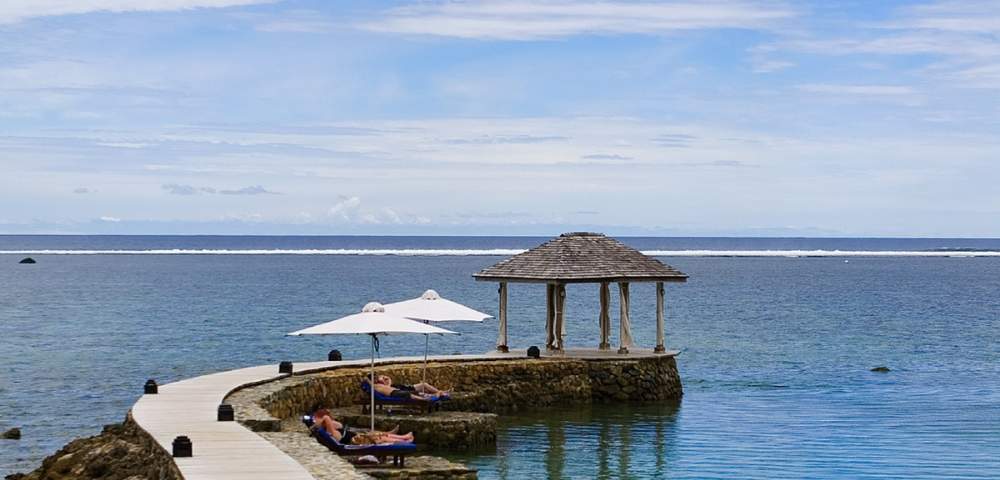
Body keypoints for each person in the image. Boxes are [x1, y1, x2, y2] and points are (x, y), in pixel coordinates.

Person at [311, 408, 414, 445]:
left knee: (376, 434)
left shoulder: (334, 430)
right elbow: (327, 418)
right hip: (356, 440)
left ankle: (402, 437)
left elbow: (336, 423)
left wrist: (321, 420)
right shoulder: (332, 432)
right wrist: (321, 419)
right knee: (379, 438)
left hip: (357, 437)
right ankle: (403, 439)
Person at [368, 374, 449, 401]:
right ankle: (425, 399)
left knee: (414, 393)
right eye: (374, 378)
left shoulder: (380, 384)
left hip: (396, 390)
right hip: (394, 393)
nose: (376, 379)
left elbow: (388, 385)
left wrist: (387, 379)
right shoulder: (374, 386)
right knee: (409, 395)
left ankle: (434, 395)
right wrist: (367, 379)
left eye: (376, 377)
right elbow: (367, 381)